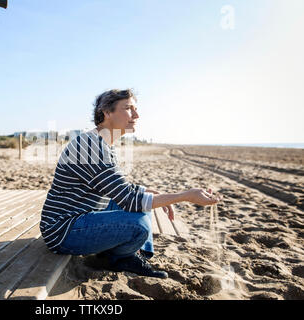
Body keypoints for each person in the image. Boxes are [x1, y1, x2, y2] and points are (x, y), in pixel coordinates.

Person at [40, 89, 222, 278]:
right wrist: (185, 196)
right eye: (128, 108)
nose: (136, 115)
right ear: (106, 112)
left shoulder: (101, 142)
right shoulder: (91, 146)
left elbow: (118, 188)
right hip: (62, 231)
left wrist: (149, 191)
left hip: (80, 215)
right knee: (139, 223)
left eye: (136, 109)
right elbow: (128, 199)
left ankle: (129, 255)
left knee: (144, 206)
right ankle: (117, 258)